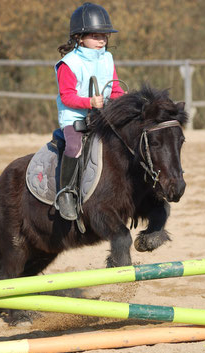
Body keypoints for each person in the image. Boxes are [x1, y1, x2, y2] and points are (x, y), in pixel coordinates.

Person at [55, 2, 124, 221]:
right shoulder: (68, 63)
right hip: (74, 117)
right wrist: (89, 103)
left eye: (104, 36)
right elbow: (67, 96)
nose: (101, 40)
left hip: (102, 115)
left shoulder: (107, 58)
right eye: (95, 36)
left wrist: (129, 104)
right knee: (74, 147)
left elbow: (115, 89)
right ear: (79, 37)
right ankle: (65, 192)